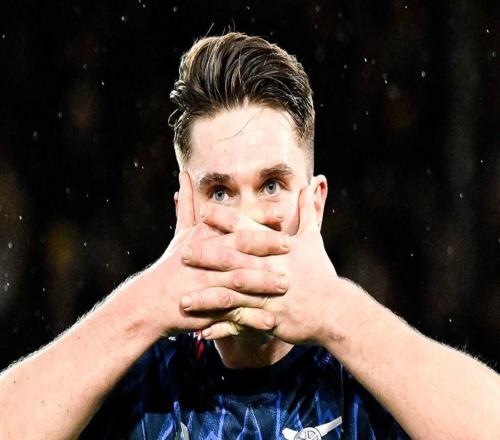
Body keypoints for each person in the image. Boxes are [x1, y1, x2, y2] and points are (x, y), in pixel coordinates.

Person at [0, 32, 499, 440]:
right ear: (184, 209)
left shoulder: (374, 376)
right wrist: (143, 307)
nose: (248, 219)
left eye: (272, 185)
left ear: (315, 204)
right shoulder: (133, 382)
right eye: (219, 192)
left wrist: (337, 313)